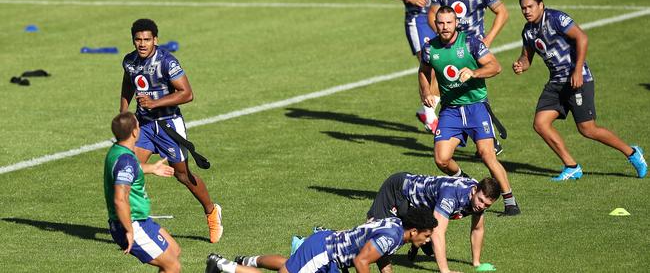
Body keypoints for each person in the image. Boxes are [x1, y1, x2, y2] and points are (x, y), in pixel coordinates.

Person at [512, 0, 647, 180]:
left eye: (530, 7)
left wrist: (577, 70)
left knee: (587, 129)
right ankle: (571, 166)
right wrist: (520, 65)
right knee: (540, 124)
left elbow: (582, 38)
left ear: (541, 5)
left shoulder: (557, 18)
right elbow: (526, 58)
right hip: (556, 83)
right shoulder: (528, 31)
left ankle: (632, 153)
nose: (526, 11)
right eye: (523, 8)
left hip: (577, 79)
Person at [120, 18, 223, 243]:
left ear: (155, 40)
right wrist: (124, 112)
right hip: (144, 126)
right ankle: (133, 226)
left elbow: (187, 93)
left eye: (147, 39)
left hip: (168, 125)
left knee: (182, 175)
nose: (142, 44)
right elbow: (128, 83)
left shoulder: (167, 61)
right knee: (131, 170)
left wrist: (154, 103)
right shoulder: (129, 61)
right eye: (138, 40)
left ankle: (211, 211)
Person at [419, 6, 520, 216]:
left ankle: (510, 201)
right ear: (435, 24)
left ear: (456, 23)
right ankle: (463, 180)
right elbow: (423, 70)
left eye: (449, 22)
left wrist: (474, 72)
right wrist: (426, 91)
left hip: (476, 108)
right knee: (441, 159)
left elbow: (495, 66)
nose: (445, 27)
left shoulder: (470, 42)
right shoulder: (430, 49)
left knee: (487, 155)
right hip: (451, 111)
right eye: (441, 23)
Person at [428, 0, 509, 154]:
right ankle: (450, 128)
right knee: (449, 84)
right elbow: (432, 14)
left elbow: (502, 12)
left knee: (474, 89)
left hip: (471, 49)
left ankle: (485, 136)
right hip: (449, 45)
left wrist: (489, 38)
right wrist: (440, 35)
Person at [204, 207, 437, 273]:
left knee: (289, 265)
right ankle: (225, 265)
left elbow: (378, 252)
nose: (428, 241)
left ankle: (248, 260)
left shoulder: (396, 226)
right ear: (414, 230)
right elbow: (362, 262)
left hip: (328, 250)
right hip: (325, 252)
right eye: (427, 235)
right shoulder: (392, 236)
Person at [367, 172, 501, 273]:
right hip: (398, 189)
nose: (482, 206)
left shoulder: (477, 200)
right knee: (379, 236)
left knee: (430, 248)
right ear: (474, 191)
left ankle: (416, 241)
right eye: (481, 200)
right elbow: (438, 232)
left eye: (487, 205)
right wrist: (445, 270)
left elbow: (477, 229)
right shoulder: (452, 195)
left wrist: (476, 263)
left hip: (419, 207)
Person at [381, 0, 444, 133]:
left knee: (442, 65)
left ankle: (426, 110)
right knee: (428, 63)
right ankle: (429, 116)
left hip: (436, 19)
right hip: (416, 20)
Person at [104, 111, 181, 272]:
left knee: (174, 251)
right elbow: (120, 199)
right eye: (138, 125)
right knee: (172, 266)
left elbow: (130, 170)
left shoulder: (118, 150)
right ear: (134, 132)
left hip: (140, 220)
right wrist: (130, 231)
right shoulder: (126, 161)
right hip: (131, 224)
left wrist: (152, 168)